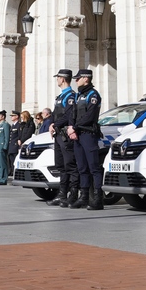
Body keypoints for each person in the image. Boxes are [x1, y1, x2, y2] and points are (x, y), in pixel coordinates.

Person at [69, 68, 104, 210]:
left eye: (78, 78)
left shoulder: (93, 95)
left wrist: (75, 127)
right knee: (82, 167)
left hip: (88, 134)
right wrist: (71, 127)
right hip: (78, 135)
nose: (76, 81)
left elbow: (90, 116)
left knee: (94, 167)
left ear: (86, 78)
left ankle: (98, 198)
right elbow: (73, 113)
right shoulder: (78, 95)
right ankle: (83, 197)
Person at [49, 70, 78, 207]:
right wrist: (51, 124)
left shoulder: (70, 96)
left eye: (58, 78)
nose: (57, 80)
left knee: (70, 165)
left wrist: (55, 124)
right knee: (61, 165)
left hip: (65, 135)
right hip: (58, 134)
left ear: (63, 79)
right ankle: (62, 194)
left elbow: (68, 115)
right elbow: (55, 114)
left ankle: (72, 194)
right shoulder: (60, 97)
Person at [0, 111, 11, 185]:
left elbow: (6, 137)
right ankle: (0, 178)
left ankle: (3, 179)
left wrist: (5, 146)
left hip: (1, 147)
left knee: (3, 164)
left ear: (3, 117)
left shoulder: (5, 125)